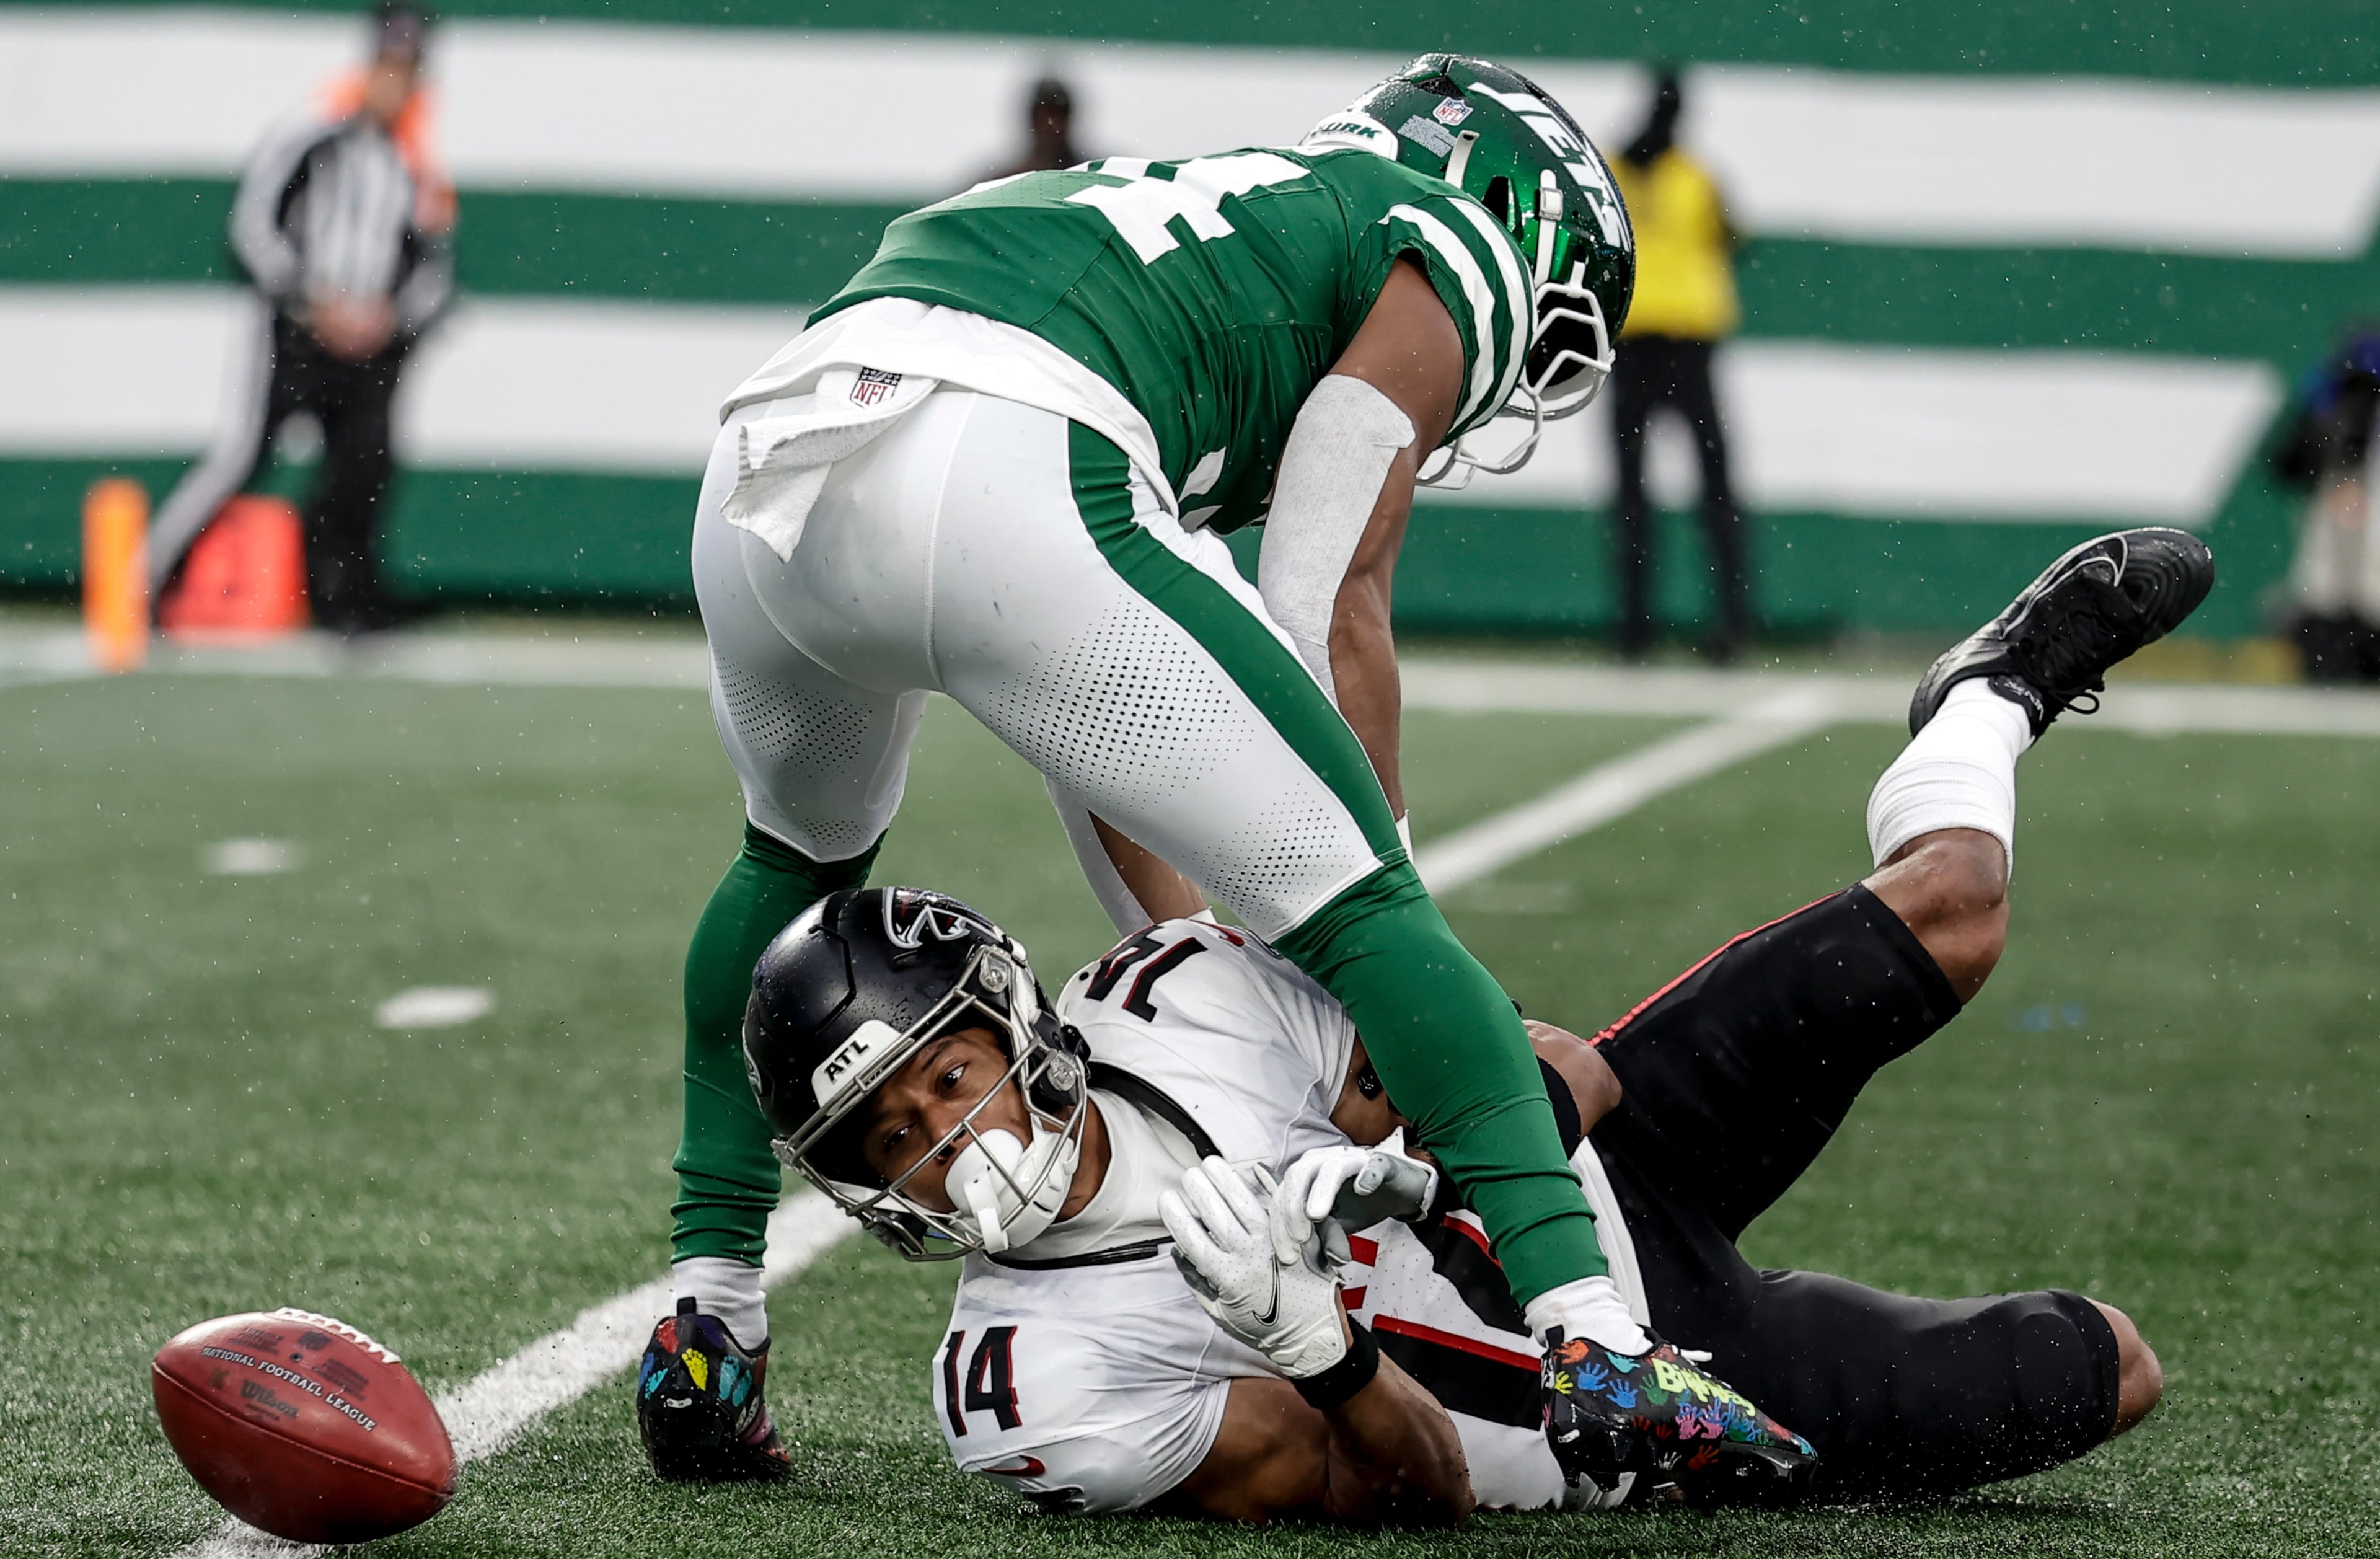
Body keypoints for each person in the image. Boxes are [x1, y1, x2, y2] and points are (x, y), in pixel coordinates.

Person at [656, 525, 2211, 1512]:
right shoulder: (1020, 1382)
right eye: (891, 1135)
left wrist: (1406, 1153)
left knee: (1954, 905)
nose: (946, 1140)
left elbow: (1559, 1069)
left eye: (943, 1079)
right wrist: (1313, 1341)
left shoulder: (1167, 997)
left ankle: (1980, 703)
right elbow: (1412, 1488)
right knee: (2107, 1364)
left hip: (1589, 1184)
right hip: (1644, 1377)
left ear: (1008, 1025)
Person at [646, 55, 1664, 1483]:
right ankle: (1592, 1332)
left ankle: (705, 1325)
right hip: (1000, 451)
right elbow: (1328, 582)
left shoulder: (1175, 215)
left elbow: (1107, 733)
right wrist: (1364, 943)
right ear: (1520, 216)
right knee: (1374, 911)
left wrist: (1210, 954)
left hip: (773, 461)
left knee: (786, 863)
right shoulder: (1433, 245)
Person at [145, 1, 455, 635]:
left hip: (368, 344)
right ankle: (148, 580)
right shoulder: (311, 136)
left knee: (363, 467)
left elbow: (435, 269)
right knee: (243, 454)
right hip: (293, 334)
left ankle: (346, 599)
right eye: (387, 66)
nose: (395, 82)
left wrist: (385, 319)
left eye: (408, 69)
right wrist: (315, 300)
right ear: (367, 67)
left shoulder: (411, 167)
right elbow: (252, 228)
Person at [1605, 69, 1750, 662]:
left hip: (1679, 347)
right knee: (1653, 496)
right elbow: (1736, 239)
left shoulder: (1675, 174)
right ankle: (1649, 628)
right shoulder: (1691, 177)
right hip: (1647, 346)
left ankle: (1719, 625)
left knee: (1696, 494)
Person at [2268, 326, 2380, 679]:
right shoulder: (2332, 393)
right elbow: (2290, 461)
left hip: (2351, 493)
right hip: (2340, 493)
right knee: (2330, 583)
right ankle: (2334, 661)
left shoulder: (2332, 391)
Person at [982, 76, 1083, 181]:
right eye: (1045, 117)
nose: (1052, 125)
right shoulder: (1005, 182)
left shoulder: (1089, 178)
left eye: (1059, 115)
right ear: (1033, 120)